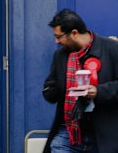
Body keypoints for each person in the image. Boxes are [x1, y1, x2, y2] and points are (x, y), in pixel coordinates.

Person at [42, 9, 118, 152]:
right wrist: (53, 89)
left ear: (74, 33)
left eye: (59, 37)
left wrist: (98, 91)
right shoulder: (60, 55)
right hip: (68, 133)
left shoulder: (112, 48)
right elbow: (50, 86)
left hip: (103, 135)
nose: (56, 41)